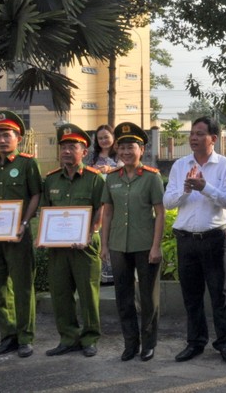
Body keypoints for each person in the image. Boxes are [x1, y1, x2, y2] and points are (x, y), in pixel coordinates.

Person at [163, 116, 226, 364]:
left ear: (213, 138)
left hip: (215, 238)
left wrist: (204, 187)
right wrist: (185, 190)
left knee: (220, 294)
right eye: (192, 133)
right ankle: (195, 342)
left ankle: (224, 342)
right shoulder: (179, 165)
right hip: (186, 239)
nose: (193, 138)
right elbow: (167, 202)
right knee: (191, 296)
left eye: (200, 134)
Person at [99, 122, 165, 362]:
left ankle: (148, 343)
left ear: (142, 149)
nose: (126, 152)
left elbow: (160, 213)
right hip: (118, 245)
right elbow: (107, 212)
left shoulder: (151, 177)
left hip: (145, 245)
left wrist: (156, 246)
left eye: (131, 147)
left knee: (148, 298)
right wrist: (105, 245)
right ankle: (130, 343)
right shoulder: (112, 178)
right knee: (123, 297)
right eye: (122, 147)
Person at [0, 110, 42, 358]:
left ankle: (25, 337)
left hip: (18, 235)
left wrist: (24, 224)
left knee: (23, 286)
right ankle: (8, 335)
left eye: (7, 135)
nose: (2, 140)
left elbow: (36, 194)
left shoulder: (27, 164)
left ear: (18, 137)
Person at [41, 124, 105, 358]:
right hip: (57, 248)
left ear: (84, 152)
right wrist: (43, 236)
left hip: (85, 246)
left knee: (88, 292)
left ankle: (89, 338)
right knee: (60, 293)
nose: (67, 151)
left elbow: (102, 209)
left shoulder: (94, 179)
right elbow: (46, 210)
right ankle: (68, 338)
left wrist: (91, 233)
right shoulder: (50, 180)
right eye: (63, 147)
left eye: (72, 147)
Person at [86, 124, 119, 284]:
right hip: (97, 202)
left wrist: (110, 169)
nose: (104, 140)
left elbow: (127, 169)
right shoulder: (92, 157)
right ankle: (100, 275)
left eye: (106, 137)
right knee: (98, 234)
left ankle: (114, 274)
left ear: (113, 138)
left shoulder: (120, 155)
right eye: (100, 138)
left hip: (115, 203)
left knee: (112, 236)